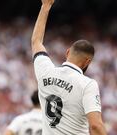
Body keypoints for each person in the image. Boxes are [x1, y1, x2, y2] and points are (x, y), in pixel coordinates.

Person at [31, 0, 107, 135]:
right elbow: (95, 126)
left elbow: (36, 41)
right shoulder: (88, 84)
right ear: (87, 62)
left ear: (67, 52)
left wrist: (45, 6)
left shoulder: (46, 71)